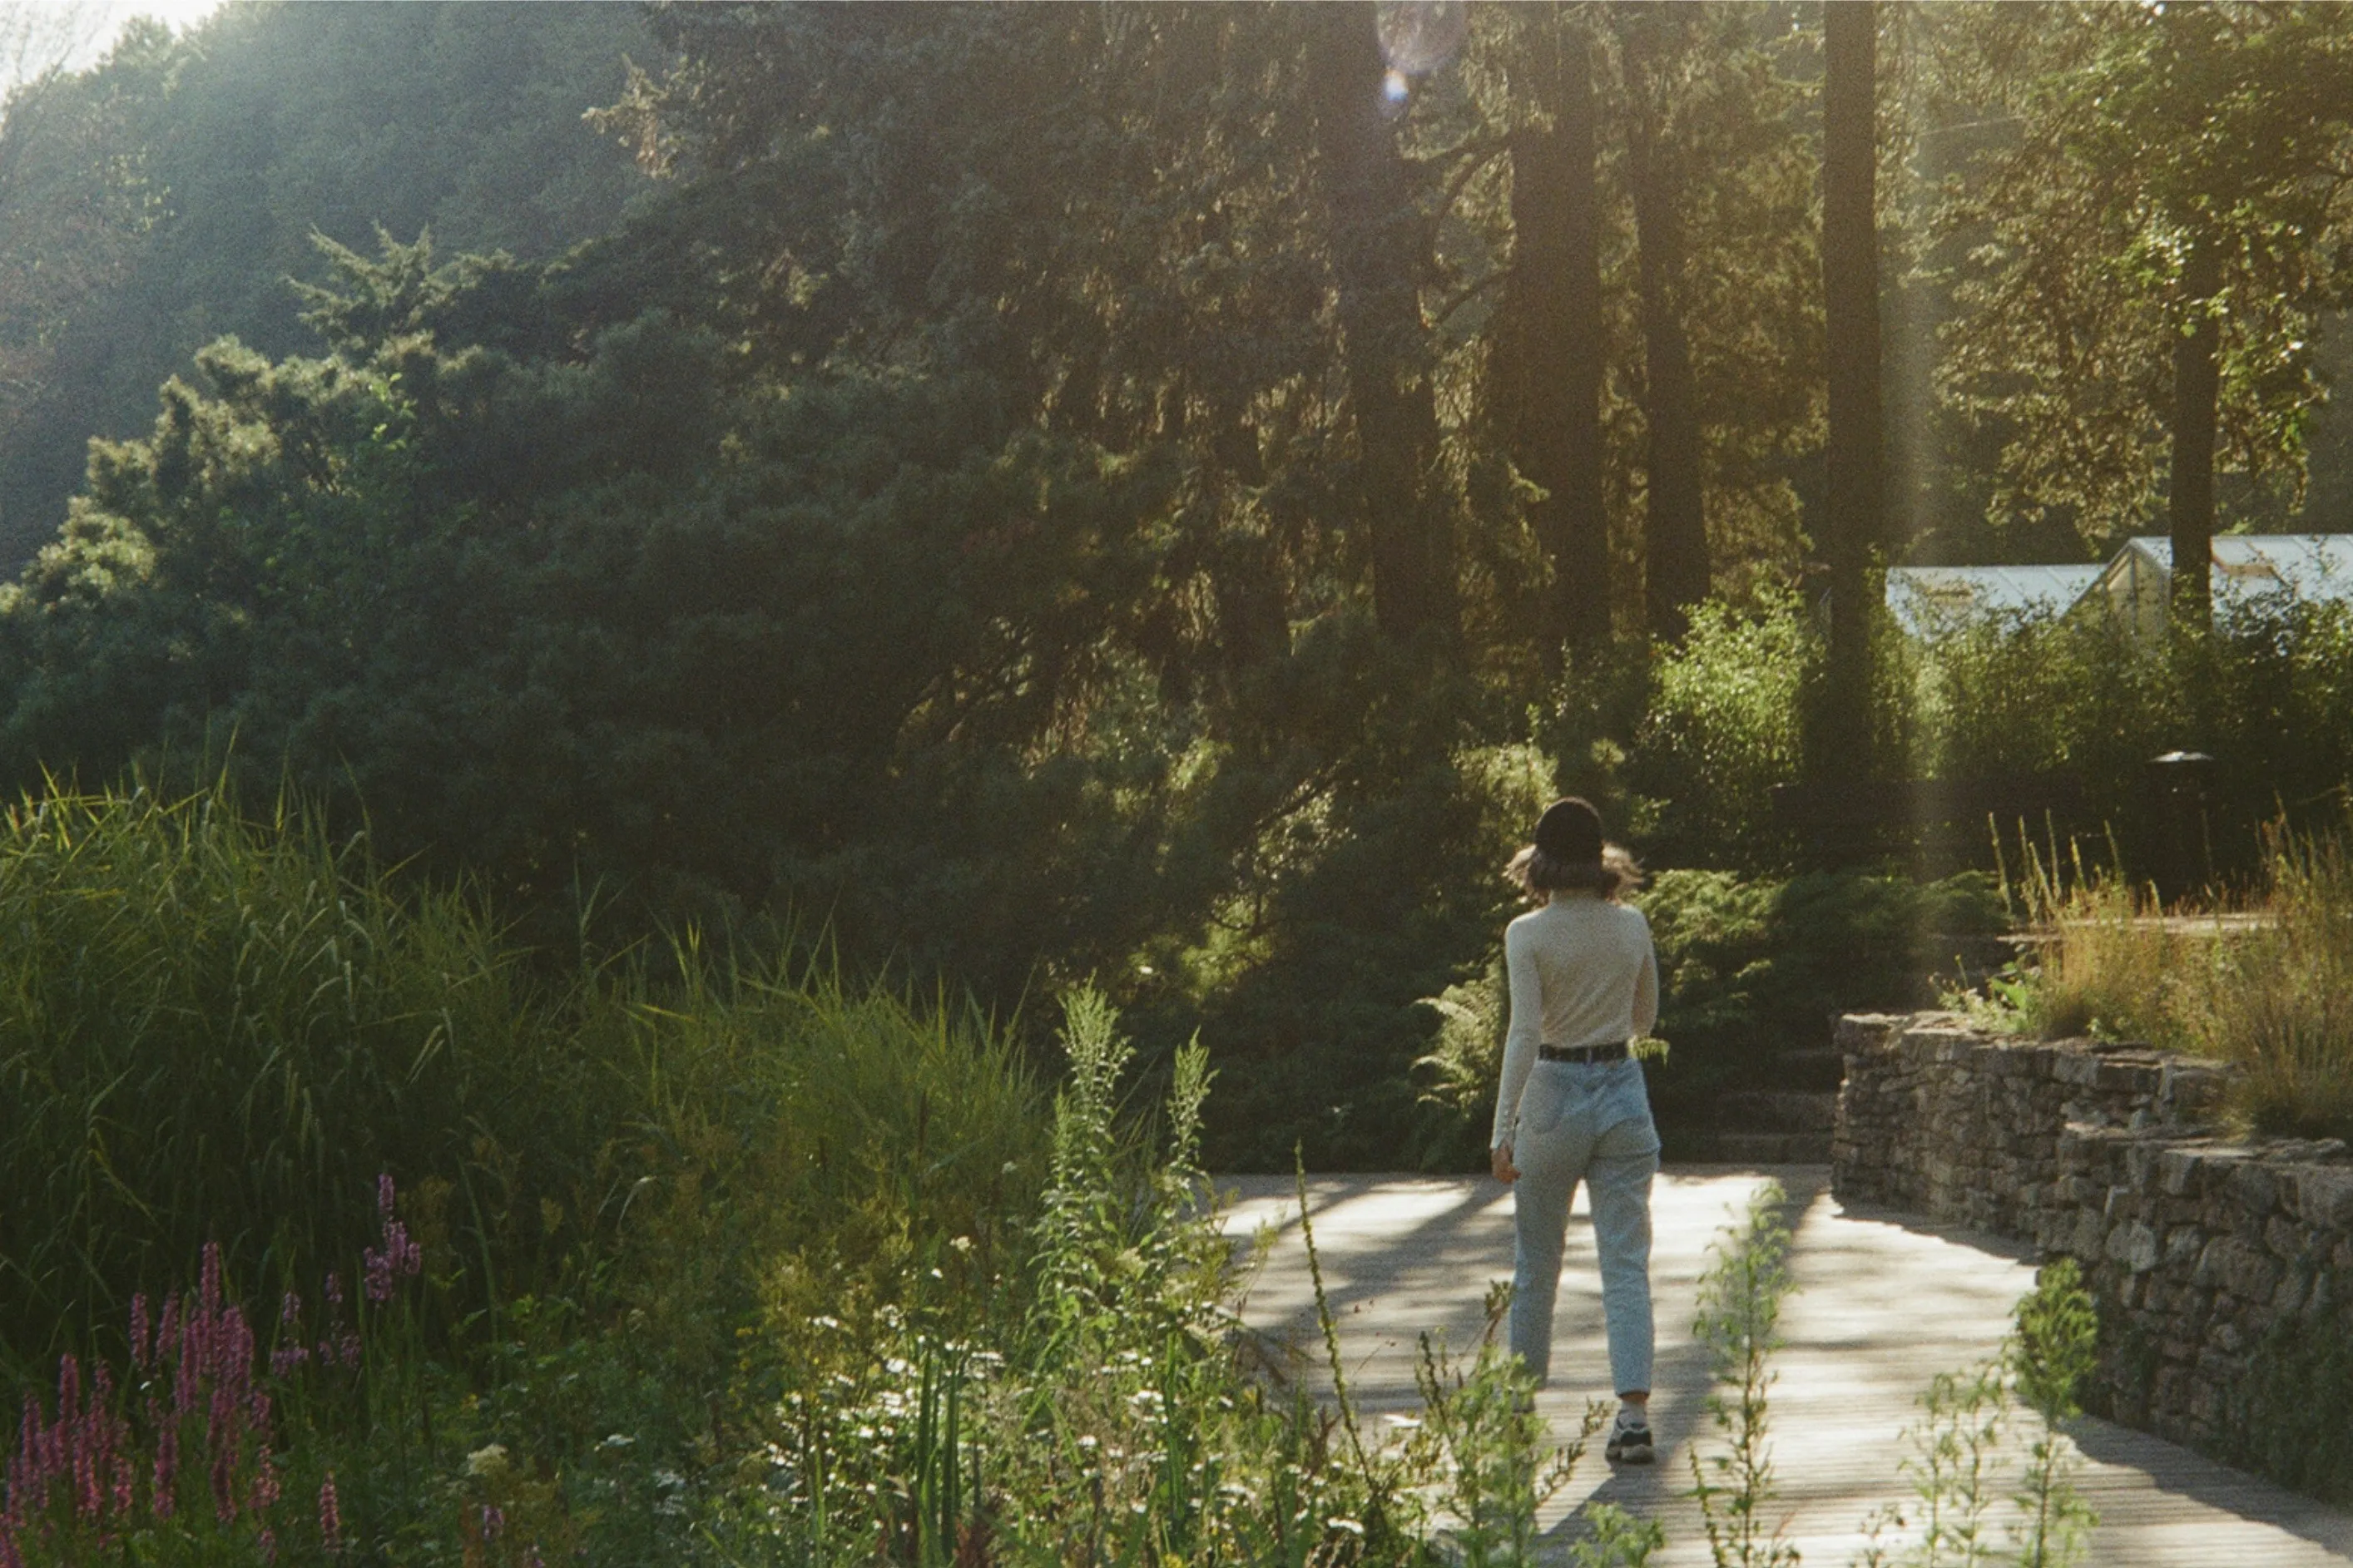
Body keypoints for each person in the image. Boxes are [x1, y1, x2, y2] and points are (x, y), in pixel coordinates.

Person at [1489, 796, 1661, 1465]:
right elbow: (1645, 1019)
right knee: (1625, 1262)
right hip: (1622, 1091)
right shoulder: (1633, 925)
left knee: (1537, 1264)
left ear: (1539, 862)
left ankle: (1517, 1414)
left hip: (1554, 1094)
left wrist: (1504, 1127)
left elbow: (1525, 1033)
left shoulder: (1525, 934)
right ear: (1602, 860)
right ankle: (1633, 1416)